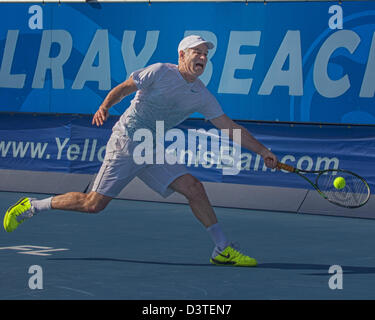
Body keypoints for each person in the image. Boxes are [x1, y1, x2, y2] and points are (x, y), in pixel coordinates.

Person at [3, 35, 277, 267]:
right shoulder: (159, 71)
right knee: (93, 204)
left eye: (205, 54)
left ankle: (222, 248)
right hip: (126, 141)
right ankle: (32, 206)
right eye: (197, 52)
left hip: (151, 147)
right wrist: (105, 106)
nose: (202, 58)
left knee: (194, 188)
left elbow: (228, 126)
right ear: (182, 55)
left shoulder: (202, 95)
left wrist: (262, 150)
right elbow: (124, 88)